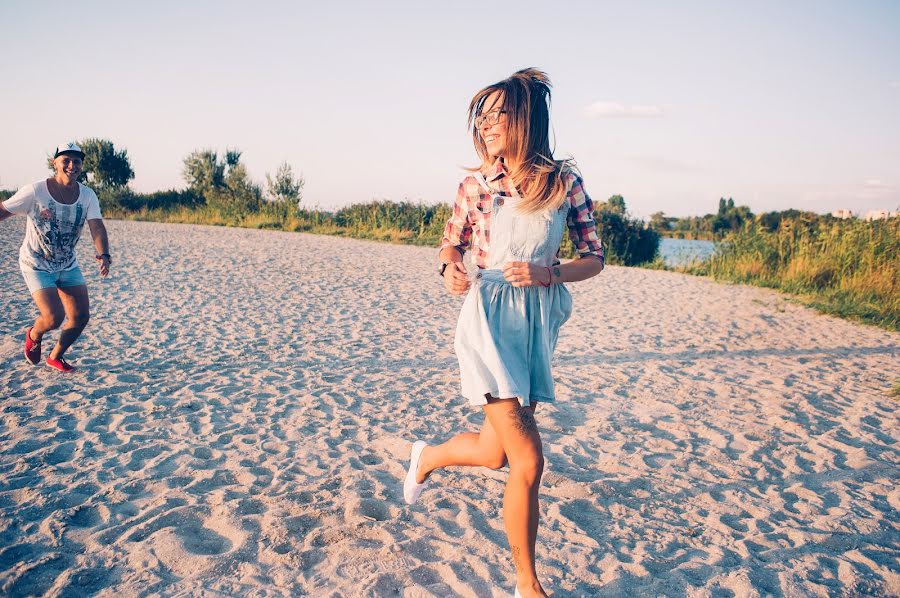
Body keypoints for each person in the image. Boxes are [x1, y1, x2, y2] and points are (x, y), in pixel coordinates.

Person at [403, 69, 605, 597]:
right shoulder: (476, 185)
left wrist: (550, 273)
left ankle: (427, 456)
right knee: (529, 460)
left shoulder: (564, 184)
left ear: (527, 119)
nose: (488, 125)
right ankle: (528, 585)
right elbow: (451, 245)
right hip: (488, 322)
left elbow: (594, 257)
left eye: (499, 114)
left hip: (535, 326)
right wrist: (449, 267)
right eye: (482, 116)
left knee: (495, 454)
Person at [0, 142, 111, 373]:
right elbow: (3, 210)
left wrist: (104, 254)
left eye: (77, 161)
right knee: (53, 317)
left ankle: (55, 356)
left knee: (80, 317)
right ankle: (33, 333)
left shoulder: (88, 195)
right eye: (66, 160)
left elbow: (97, 227)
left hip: (67, 263)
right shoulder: (35, 191)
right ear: (55, 163)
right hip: (36, 263)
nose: (72, 165)